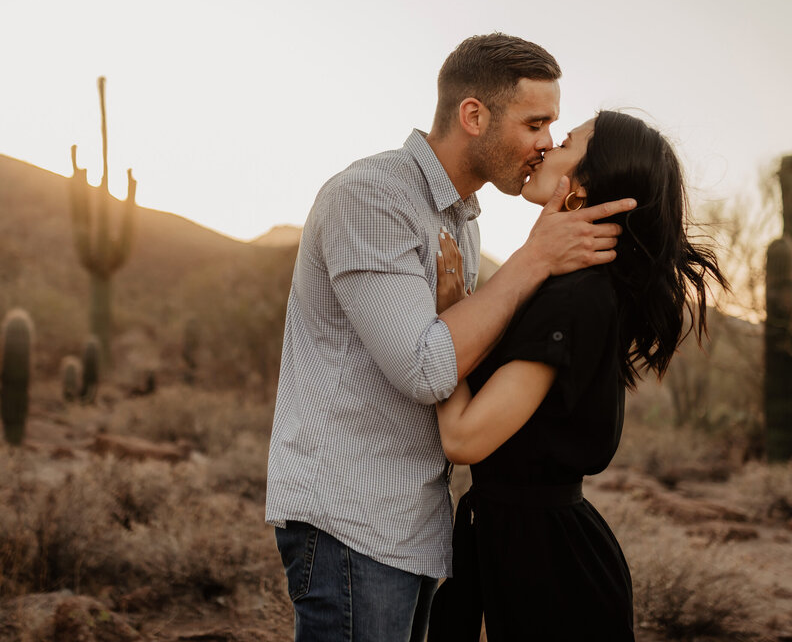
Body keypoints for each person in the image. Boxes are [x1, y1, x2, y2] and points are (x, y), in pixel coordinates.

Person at [265, 33, 637, 642]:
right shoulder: (373, 196)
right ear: (474, 115)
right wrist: (531, 260)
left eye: (555, 126)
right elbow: (426, 367)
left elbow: (464, 348)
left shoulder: (458, 218)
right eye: (536, 122)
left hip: (413, 524)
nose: (546, 141)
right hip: (353, 521)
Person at [427, 110, 726, 641]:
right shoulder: (568, 286)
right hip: (531, 550)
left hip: (550, 571)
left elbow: (464, 436)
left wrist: (448, 321)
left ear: (582, 188)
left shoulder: (575, 298)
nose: (545, 148)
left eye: (564, 142)